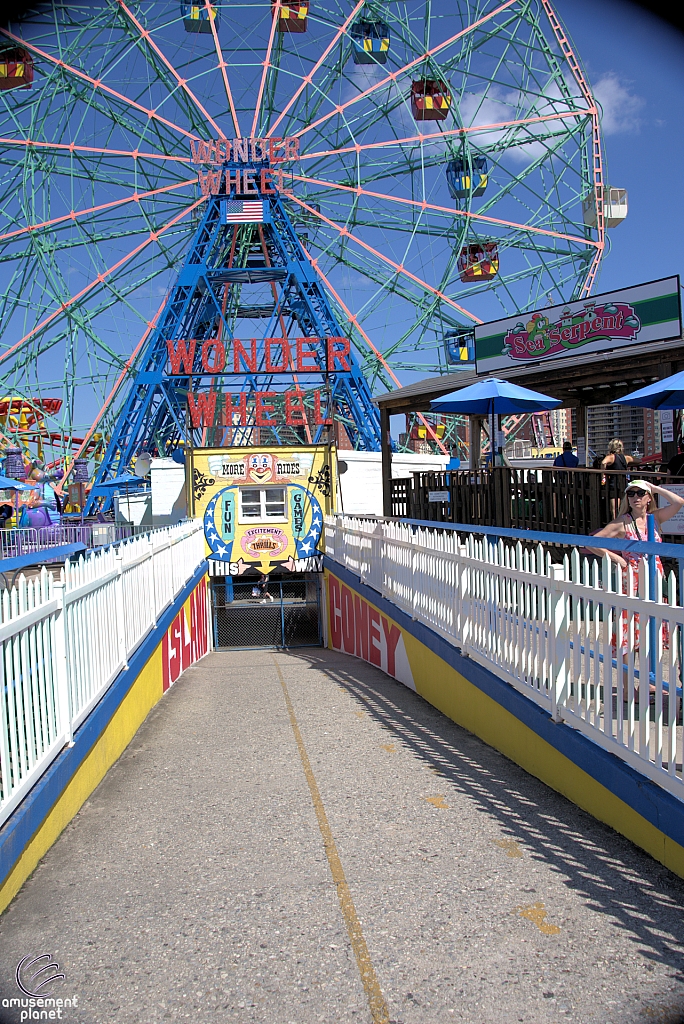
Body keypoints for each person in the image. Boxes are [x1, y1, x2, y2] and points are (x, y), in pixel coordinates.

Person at [592, 480, 684, 655]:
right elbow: (593, 542)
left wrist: (655, 488)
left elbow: (678, 502)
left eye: (641, 493)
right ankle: (628, 681)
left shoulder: (655, 518)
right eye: (631, 494)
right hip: (633, 576)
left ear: (648, 497)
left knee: (653, 624)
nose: (636, 497)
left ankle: (649, 679)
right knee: (630, 626)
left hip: (655, 576)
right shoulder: (622, 522)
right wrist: (618, 559)